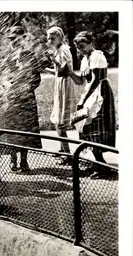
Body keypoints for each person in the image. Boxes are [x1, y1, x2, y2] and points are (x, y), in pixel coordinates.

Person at [65, 31, 116, 179]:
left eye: (83, 46)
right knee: (87, 127)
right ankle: (99, 164)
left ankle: (102, 166)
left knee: (95, 127)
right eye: (78, 48)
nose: (81, 50)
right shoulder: (84, 59)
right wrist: (68, 72)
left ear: (90, 43)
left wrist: (82, 101)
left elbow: (95, 80)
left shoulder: (97, 57)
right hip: (91, 93)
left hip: (101, 93)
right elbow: (81, 81)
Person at [2, 26, 45, 173]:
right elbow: (3, 77)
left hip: (26, 98)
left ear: (22, 38)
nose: (12, 42)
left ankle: (24, 161)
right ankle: (13, 160)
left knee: (25, 129)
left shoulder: (29, 55)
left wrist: (26, 88)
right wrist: (6, 84)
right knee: (12, 128)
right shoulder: (8, 58)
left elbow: (36, 78)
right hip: (12, 98)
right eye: (10, 39)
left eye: (15, 38)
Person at [44, 26, 76, 166]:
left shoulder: (63, 50)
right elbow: (58, 72)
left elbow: (64, 69)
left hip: (65, 85)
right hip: (60, 83)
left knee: (60, 122)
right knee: (58, 121)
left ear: (60, 37)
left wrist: (53, 59)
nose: (49, 40)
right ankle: (64, 150)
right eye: (48, 38)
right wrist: (43, 68)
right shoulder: (58, 50)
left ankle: (67, 154)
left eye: (52, 38)